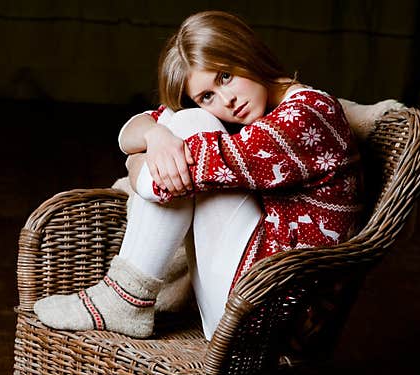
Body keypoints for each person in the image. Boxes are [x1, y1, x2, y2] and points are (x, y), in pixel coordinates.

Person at [34, 10, 367, 341]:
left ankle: (125, 298)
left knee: (195, 126)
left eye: (225, 76)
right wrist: (155, 137)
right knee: (187, 125)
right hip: (247, 304)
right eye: (207, 95)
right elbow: (132, 132)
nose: (228, 100)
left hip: (272, 316)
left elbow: (160, 181)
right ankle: (124, 298)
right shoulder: (254, 116)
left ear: (244, 51)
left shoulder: (306, 114)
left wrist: (136, 164)